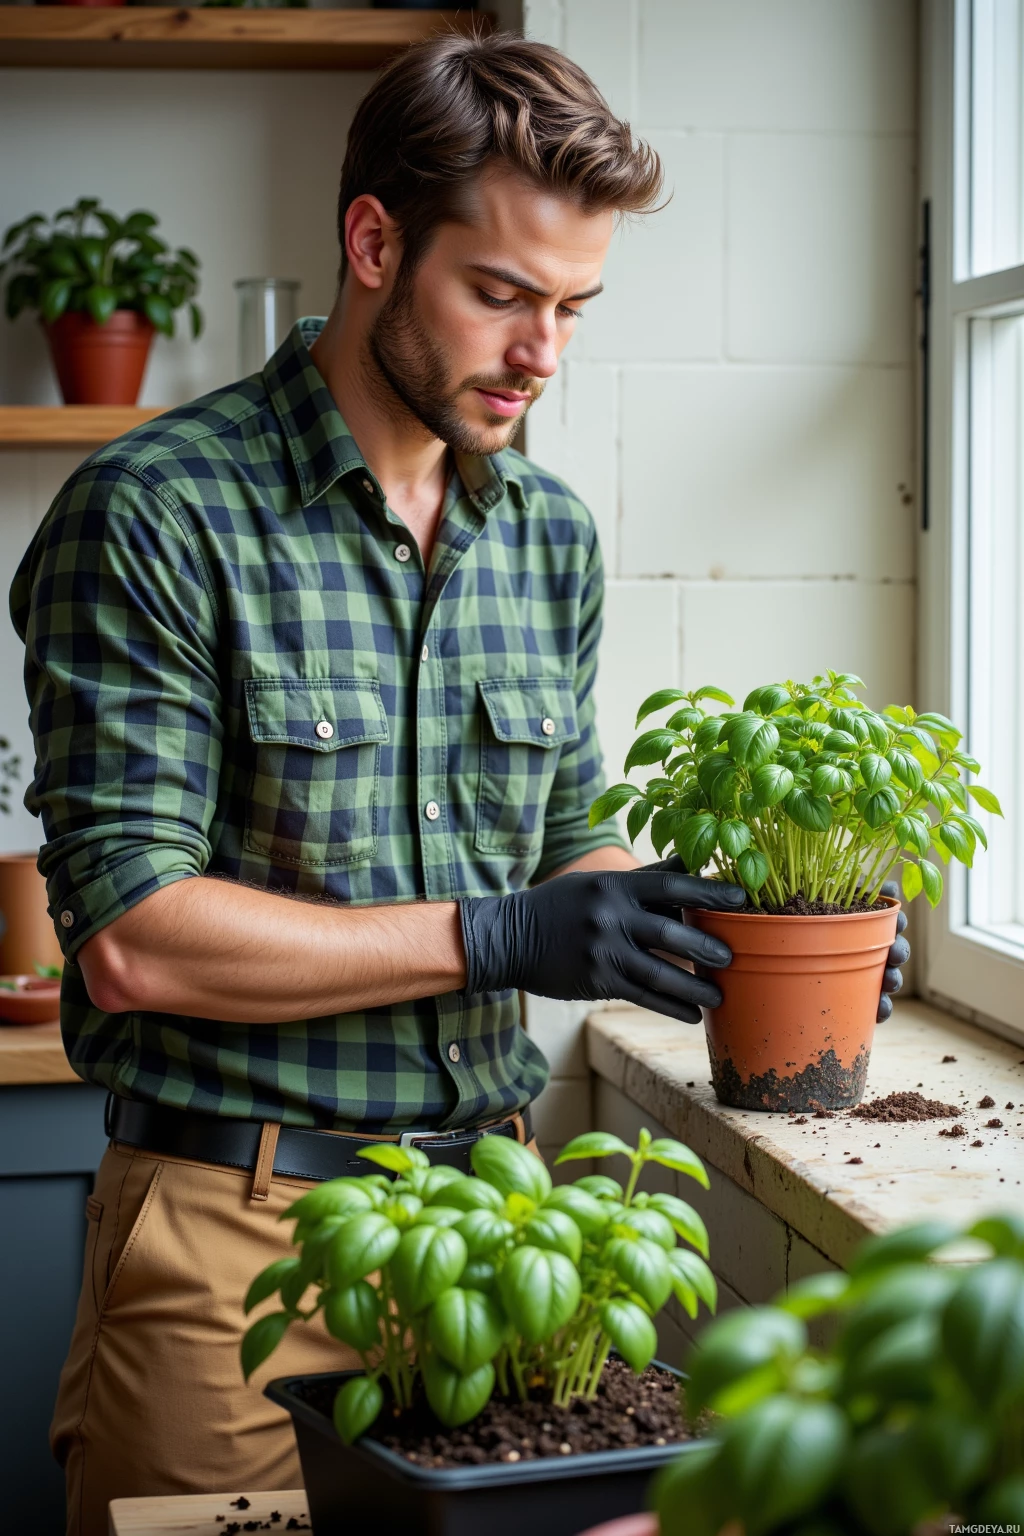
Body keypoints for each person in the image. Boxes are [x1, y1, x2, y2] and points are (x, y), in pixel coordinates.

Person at [10, 29, 908, 1536]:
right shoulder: (157, 513)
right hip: (240, 1247)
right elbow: (133, 934)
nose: (543, 353)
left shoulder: (545, 539)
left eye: (574, 307)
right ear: (373, 242)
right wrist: (491, 937)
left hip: (498, 1243)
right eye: (500, 294)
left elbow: (566, 859)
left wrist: (732, 930)